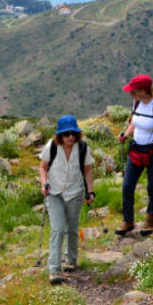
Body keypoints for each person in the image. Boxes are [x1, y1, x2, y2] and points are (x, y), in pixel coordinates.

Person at [115, 74, 153, 237]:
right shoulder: (136, 102)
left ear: (143, 90)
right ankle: (128, 220)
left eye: (133, 91)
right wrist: (126, 135)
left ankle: (150, 219)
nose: (131, 94)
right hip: (136, 149)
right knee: (127, 186)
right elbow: (135, 121)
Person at [39, 115, 94, 284]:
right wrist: (44, 183)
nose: (70, 137)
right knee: (57, 229)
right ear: (60, 135)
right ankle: (54, 270)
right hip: (54, 193)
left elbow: (88, 169)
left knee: (71, 228)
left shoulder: (83, 148)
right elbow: (43, 166)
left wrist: (90, 192)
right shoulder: (52, 146)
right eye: (66, 134)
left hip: (74, 194)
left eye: (73, 133)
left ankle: (71, 260)